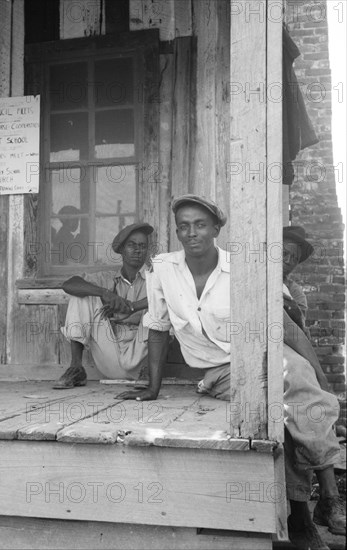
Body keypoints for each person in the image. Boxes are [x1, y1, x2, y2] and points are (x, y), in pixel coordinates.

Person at [117, 195, 345, 548]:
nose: (191, 233)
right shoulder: (161, 267)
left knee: (295, 379)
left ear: (216, 229)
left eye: (200, 225)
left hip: (266, 352)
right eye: (184, 226)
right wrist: (153, 387)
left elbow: (286, 328)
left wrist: (323, 379)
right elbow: (158, 327)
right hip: (219, 369)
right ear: (177, 231)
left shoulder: (242, 265)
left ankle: (317, 505)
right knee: (282, 403)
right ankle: (311, 508)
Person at [53, 222, 154, 389]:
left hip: (141, 358)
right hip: (110, 356)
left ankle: (149, 371)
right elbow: (69, 284)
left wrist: (132, 307)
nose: (138, 250)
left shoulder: (155, 278)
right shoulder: (106, 278)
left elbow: (175, 298)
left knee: (161, 302)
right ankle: (76, 368)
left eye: (142, 246)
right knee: (83, 295)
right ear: (121, 249)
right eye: (132, 245)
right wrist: (105, 293)